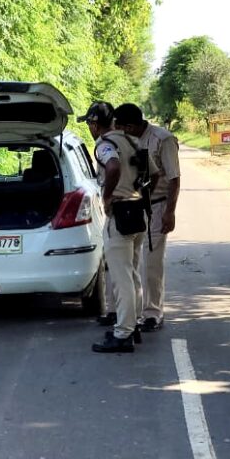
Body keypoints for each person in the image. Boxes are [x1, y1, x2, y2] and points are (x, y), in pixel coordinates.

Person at [79, 102, 157, 354]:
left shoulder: (105, 144)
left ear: (94, 123)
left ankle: (123, 333)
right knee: (132, 274)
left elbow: (112, 166)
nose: (90, 128)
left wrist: (108, 196)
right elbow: (154, 174)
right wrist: (139, 192)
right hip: (138, 211)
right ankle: (131, 325)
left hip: (120, 215)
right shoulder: (133, 141)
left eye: (90, 123)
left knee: (121, 277)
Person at [113, 102, 181, 331]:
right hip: (132, 208)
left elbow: (174, 179)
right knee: (130, 263)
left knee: (151, 262)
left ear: (130, 126)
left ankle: (153, 313)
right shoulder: (126, 140)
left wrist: (170, 212)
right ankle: (132, 311)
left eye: (122, 127)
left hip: (157, 206)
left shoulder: (163, 139)